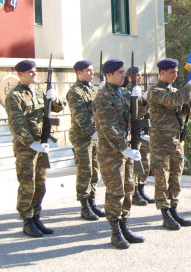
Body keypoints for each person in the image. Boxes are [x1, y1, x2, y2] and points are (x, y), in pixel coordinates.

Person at [4, 59, 65, 238]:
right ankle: (27, 220)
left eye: (35, 71)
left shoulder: (37, 93)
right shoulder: (14, 96)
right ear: (20, 74)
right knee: (27, 185)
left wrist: (54, 99)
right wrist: (31, 143)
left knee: (40, 185)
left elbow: (57, 109)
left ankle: (36, 216)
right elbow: (17, 124)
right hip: (26, 148)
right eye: (30, 72)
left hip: (41, 145)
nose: (34, 74)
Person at [93, 59, 144, 249]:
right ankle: (115, 233)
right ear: (108, 75)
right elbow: (108, 127)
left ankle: (125, 226)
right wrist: (123, 148)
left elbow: (136, 115)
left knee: (128, 189)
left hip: (126, 150)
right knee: (115, 192)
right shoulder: (103, 96)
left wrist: (140, 101)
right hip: (111, 152)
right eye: (120, 73)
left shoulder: (122, 93)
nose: (125, 75)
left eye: (124, 72)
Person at [147, 58, 191, 230]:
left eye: (177, 72)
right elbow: (173, 100)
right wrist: (189, 88)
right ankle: (164, 213)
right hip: (161, 142)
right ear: (162, 73)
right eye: (172, 72)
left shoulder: (174, 90)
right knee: (162, 178)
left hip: (176, 142)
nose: (176, 75)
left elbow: (185, 109)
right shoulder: (155, 91)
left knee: (175, 178)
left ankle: (174, 209)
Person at [66, 60, 106, 221]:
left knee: (95, 170)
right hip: (82, 137)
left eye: (92, 70)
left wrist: (104, 91)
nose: (92, 73)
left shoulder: (92, 89)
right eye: (88, 71)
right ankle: (84, 205)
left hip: (95, 136)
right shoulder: (75, 92)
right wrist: (92, 132)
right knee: (85, 171)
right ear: (79, 73)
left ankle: (92, 201)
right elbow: (81, 116)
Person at [124, 66, 154, 206]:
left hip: (142, 131)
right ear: (130, 77)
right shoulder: (125, 92)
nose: (140, 78)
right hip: (132, 132)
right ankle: (134, 192)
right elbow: (130, 113)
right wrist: (137, 99)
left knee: (145, 162)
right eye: (137, 75)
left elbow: (145, 112)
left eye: (141, 75)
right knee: (133, 164)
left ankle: (141, 188)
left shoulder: (140, 91)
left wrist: (144, 99)